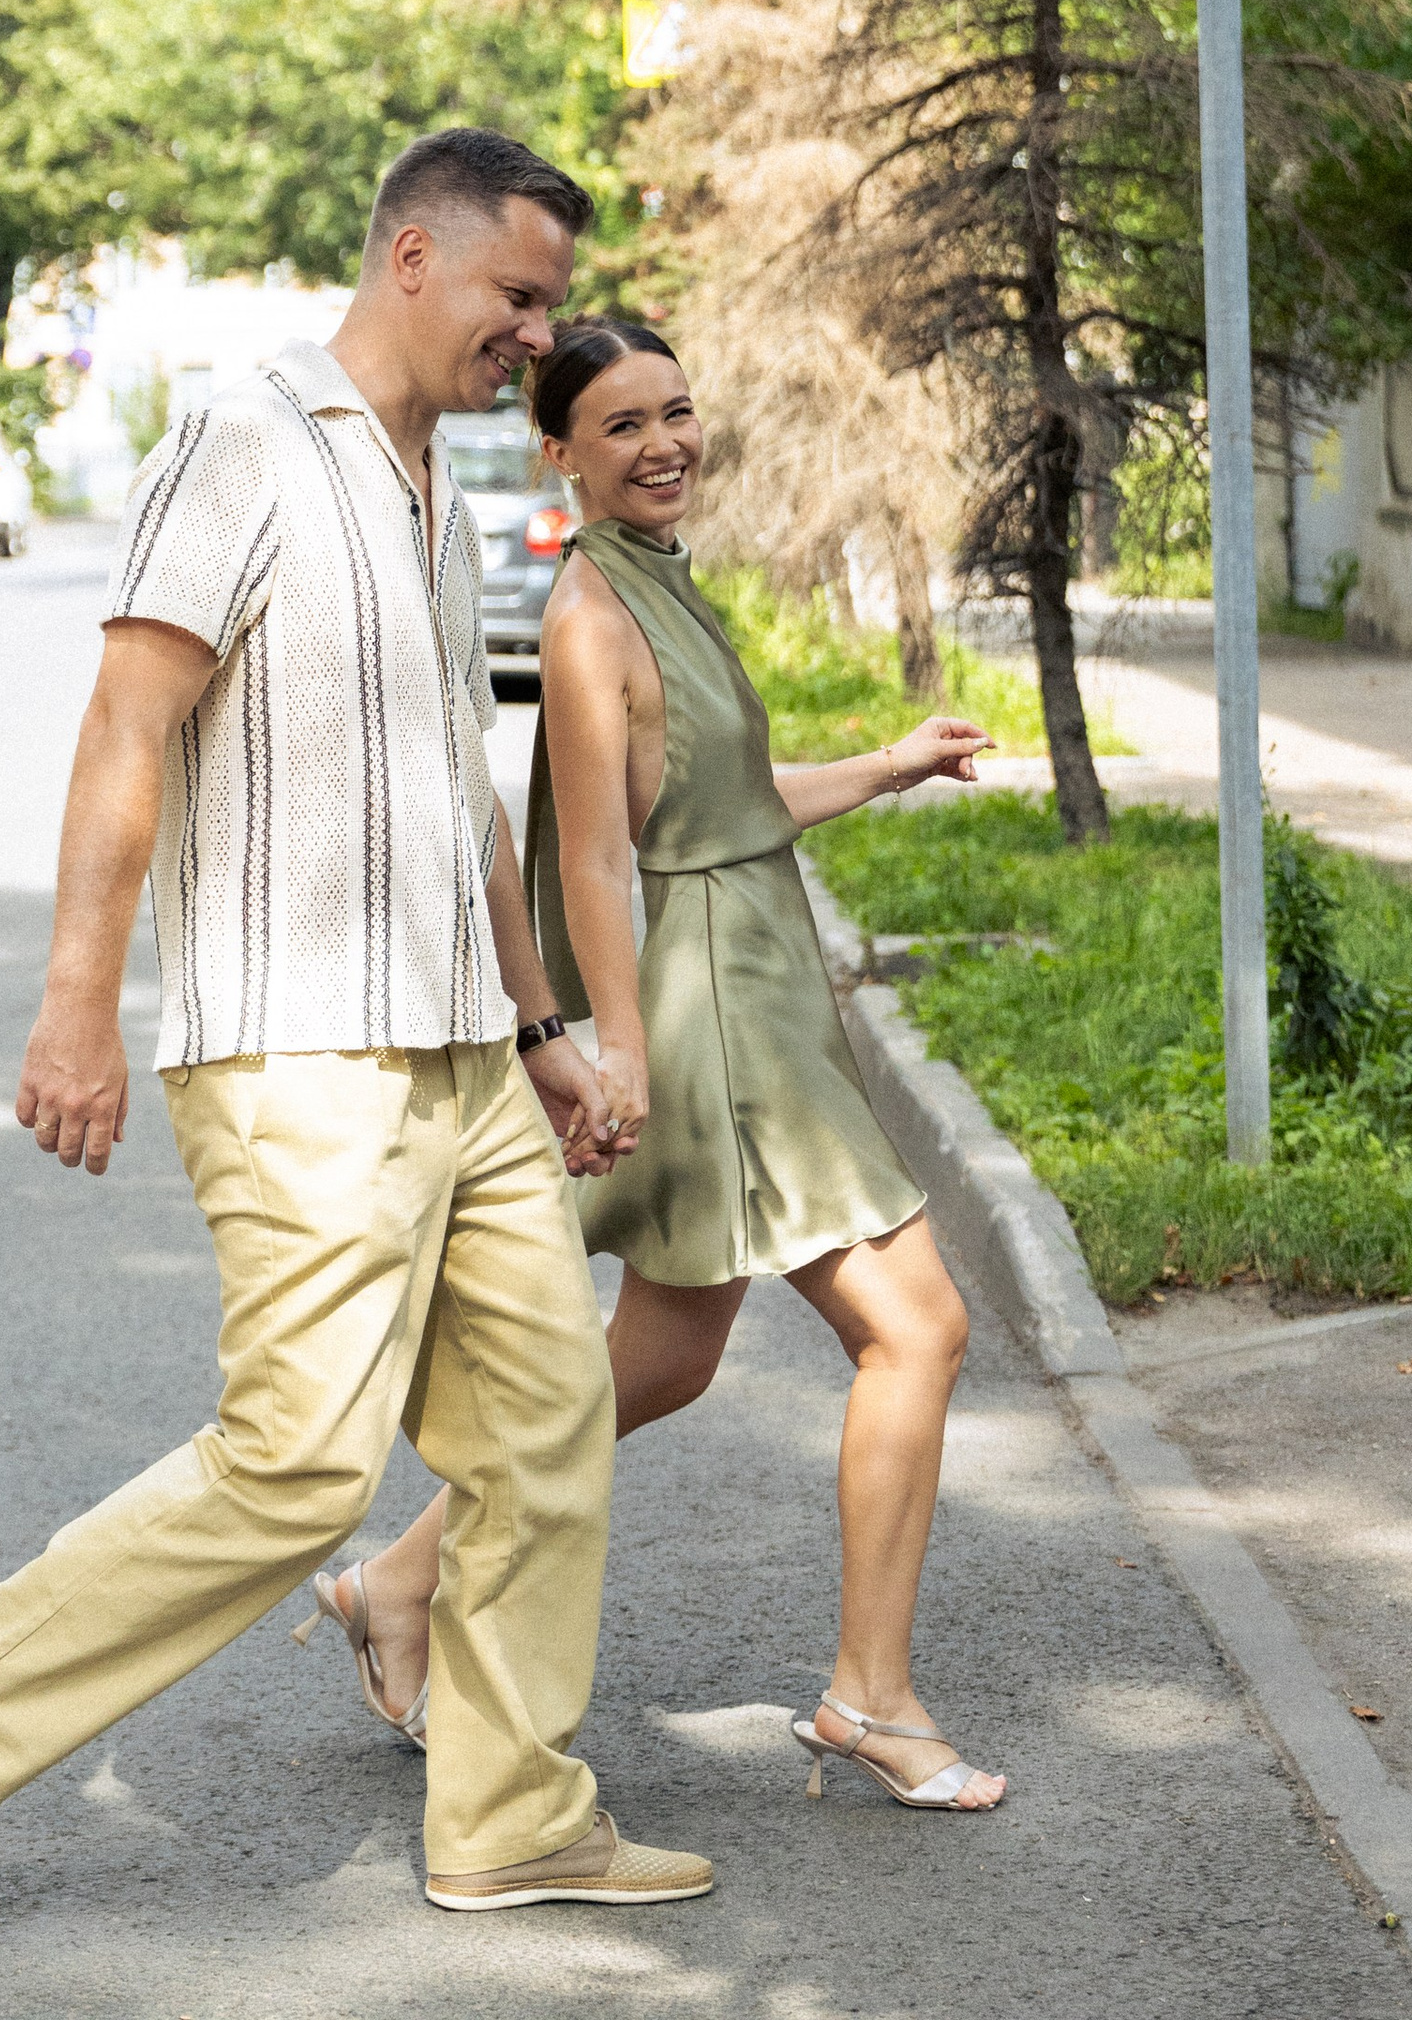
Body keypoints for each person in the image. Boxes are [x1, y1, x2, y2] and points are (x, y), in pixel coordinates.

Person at [0, 135, 715, 1934]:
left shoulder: (434, 491)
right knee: (303, 1459)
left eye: (550, 307)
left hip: (462, 1051)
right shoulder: (246, 440)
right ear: (413, 258)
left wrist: (538, 1017)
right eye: (516, 300)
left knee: (546, 1426)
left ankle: (511, 1815)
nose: (534, 342)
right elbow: (123, 725)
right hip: (299, 1047)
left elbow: (458, 789)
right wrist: (79, 1000)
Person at [310, 319, 1008, 1816]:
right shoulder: (588, 617)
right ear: (557, 452)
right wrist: (610, 1050)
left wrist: (889, 764)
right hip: (709, 1023)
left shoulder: (660, 587)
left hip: (750, 988)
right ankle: (871, 1699)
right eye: (620, 427)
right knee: (919, 1325)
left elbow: (727, 805)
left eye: (678, 413)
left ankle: (398, 1582)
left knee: (670, 1358)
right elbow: (594, 859)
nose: (664, 445)